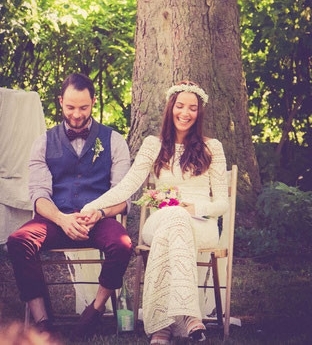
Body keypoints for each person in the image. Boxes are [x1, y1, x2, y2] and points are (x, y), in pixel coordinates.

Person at [81, 80, 229, 344]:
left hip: (202, 224)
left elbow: (221, 204)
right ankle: (188, 316)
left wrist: (194, 207)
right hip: (161, 218)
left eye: (192, 108)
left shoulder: (212, 147)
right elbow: (127, 185)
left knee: (178, 219)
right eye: (180, 106)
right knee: (174, 218)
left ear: (199, 112)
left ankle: (162, 326)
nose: (185, 113)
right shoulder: (153, 144)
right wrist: (95, 207)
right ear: (170, 108)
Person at [6, 73, 132, 338]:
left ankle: (95, 311)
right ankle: (42, 320)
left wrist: (98, 213)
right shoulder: (42, 142)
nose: (76, 114)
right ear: (61, 101)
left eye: (83, 108)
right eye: (70, 107)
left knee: (122, 244)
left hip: (98, 218)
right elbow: (39, 195)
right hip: (56, 217)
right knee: (18, 240)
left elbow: (122, 195)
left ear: (93, 102)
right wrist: (62, 219)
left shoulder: (114, 141)